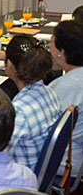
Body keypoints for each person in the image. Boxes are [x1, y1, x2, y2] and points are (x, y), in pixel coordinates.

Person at [5, 35, 61, 170]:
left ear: (10, 65)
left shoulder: (19, 111)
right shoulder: (50, 92)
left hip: (21, 180)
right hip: (43, 170)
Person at [48, 20, 83, 176]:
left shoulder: (61, 88)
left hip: (65, 162)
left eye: (51, 43)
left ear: (61, 51)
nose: (49, 48)